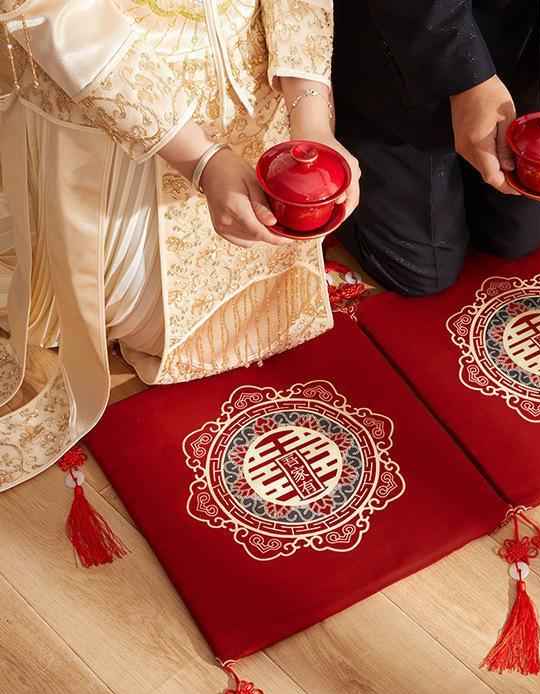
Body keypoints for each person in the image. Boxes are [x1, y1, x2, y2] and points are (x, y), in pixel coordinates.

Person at [0, 0, 359, 491]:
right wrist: (202, 160)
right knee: (135, 320)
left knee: (271, 233)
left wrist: (314, 122)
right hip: (114, 82)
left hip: (249, 64)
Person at [332, 0, 540, 296]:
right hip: (401, 38)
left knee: (517, 236)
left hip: (534, 32)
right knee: (421, 268)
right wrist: (465, 80)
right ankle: (313, 102)